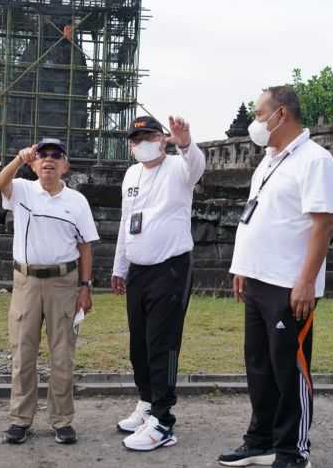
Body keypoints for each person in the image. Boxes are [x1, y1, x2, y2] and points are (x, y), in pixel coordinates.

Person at [217, 86, 333, 468]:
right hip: (258, 278)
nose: (255, 121)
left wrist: (306, 280)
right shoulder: (269, 160)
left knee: (290, 368)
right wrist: (242, 267)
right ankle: (261, 438)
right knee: (259, 364)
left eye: (258, 113)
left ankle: (292, 449)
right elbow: (255, 216)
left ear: (280, 114)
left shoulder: (315, 161)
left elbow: (323, 224)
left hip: (289, 283)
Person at [0, 138, 98, 446]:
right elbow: (0, 183)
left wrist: (85, 286)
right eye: (43, 156)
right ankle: (20, 419)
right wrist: (18, 159)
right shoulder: (24, 189)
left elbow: (85, 246)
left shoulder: (77, 201)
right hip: (26, 282)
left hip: (63, 283)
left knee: (63, 355)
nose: (49, 160)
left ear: (65, 165)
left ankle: (62, 420)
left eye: (56, 156)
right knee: (23, 353)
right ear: (35, 163)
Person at [111, 115, 206, 452]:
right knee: (138, 343)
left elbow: (197, 165)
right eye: (135, 139)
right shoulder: (131, 174)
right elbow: (126, 221)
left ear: (161, 138)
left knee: (161, 343)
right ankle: (147, 402)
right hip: (138, 269)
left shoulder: (179, 168)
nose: (141, 143)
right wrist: (120, 266)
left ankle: (164, 420)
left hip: (171, 268)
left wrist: (184, 141)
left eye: (148, 136)